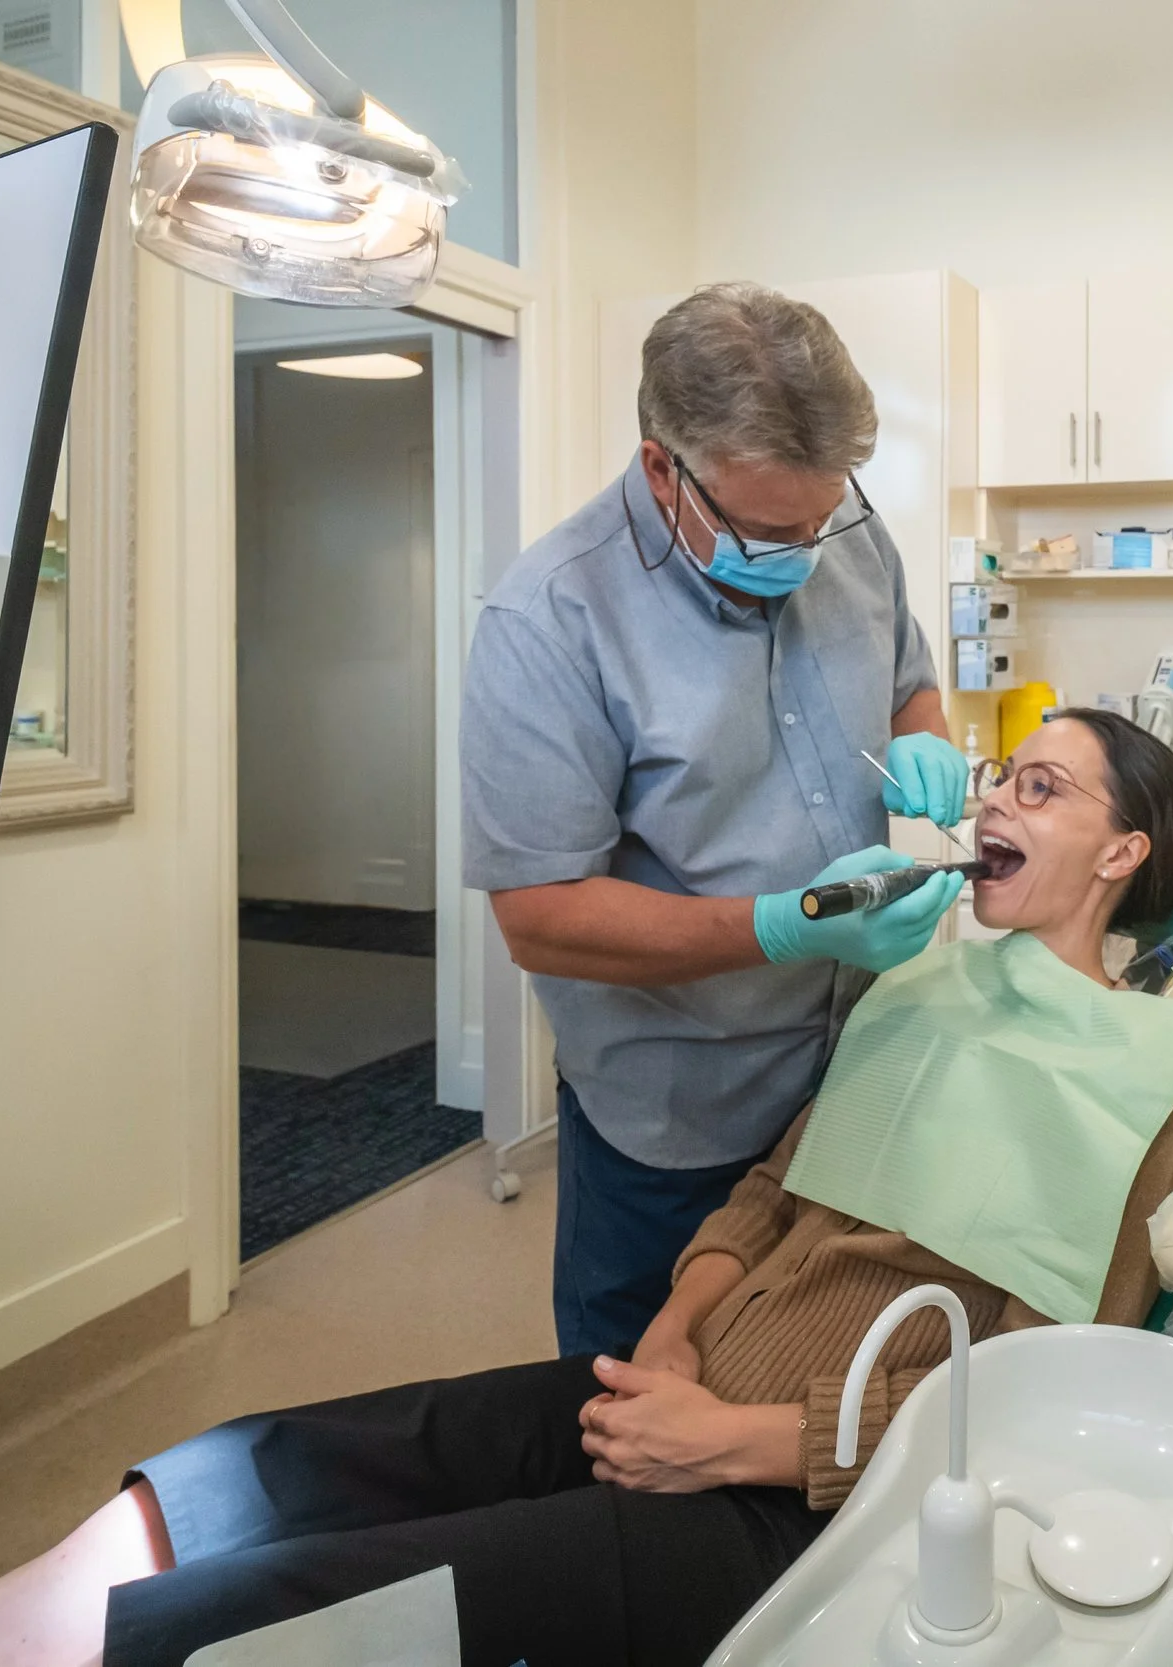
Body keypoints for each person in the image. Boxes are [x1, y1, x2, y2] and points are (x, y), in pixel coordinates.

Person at [0, 712, 1173, 1667]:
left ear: (1122, 855)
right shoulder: (919, 988)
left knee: (301, 1603)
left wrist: (741, 1442)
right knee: (283, 1456)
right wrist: (676, 1331)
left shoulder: (1148, 1092)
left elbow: (1035, 1398)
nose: (991, 804)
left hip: (812, 1499)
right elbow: (770, 1187)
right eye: (1000, 777)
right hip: (664, 1387)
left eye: (1040, 790)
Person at [460, 281, 974, 1359]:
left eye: (820, 517)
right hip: (679, 1109)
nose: (802, 550)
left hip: (857, 1066)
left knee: (808, 1361)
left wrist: (926, 734)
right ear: (664, 467)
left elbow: (908, 683)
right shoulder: (548, 620)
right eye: (765, 527)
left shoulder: (851, 539)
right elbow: (540, 917)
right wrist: (783, 925)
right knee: (633, 1410)